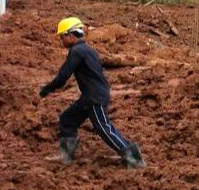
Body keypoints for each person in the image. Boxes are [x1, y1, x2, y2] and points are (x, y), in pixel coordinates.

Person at [39, 17, 145, 169]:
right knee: (67, 119)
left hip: (94, 97)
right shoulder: (88, 49)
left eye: (62, 36)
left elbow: (63, 76)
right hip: (90, 96)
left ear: (70, 35)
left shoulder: (77, 51)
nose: (61, 40)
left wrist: (45, 90)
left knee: (103, 128)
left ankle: (134, 159)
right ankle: (65, 156)